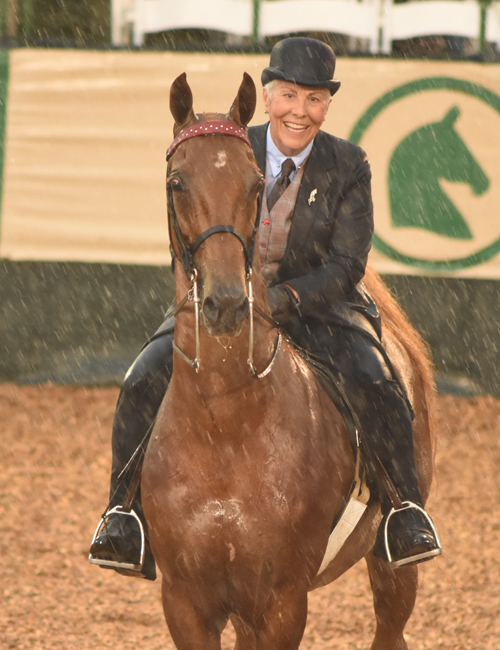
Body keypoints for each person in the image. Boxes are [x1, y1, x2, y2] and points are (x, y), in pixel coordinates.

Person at [89, 37, 441, 581]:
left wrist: (283, 298)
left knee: (375, 377)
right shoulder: (228, 144)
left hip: (319, 308)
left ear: (327, 106)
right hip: (219, 299)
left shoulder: (348, 164)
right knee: (142, 377)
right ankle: (122, 515)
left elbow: (349, 264)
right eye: (290, 95)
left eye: (316, 99)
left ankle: (403, 509)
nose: (301, 111)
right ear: (268, 96)